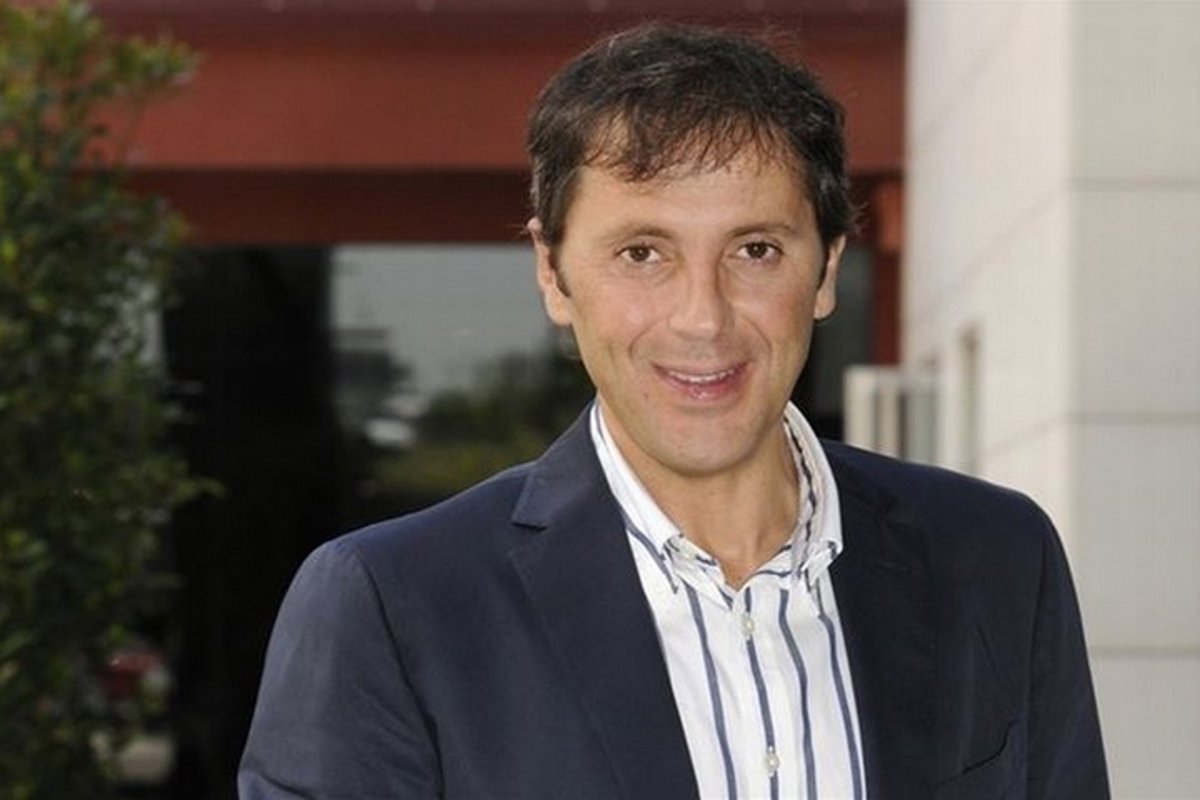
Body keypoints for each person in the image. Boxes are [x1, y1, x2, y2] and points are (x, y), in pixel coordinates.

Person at [239, 24, 1108, 799]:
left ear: (826, 269)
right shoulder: (394, 608)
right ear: (553, 274)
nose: (703, 318)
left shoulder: (997, 559)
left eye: (755, 250)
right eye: (642, 253)